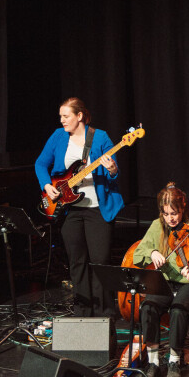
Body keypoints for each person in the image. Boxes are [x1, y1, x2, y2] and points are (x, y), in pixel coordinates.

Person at [35, 97, 124, 318]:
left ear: (79, 116)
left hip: (96, 209)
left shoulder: (100, 137)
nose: (62, 120)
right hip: (69, 210)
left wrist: (112, 168)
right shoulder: (58, 136)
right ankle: (83, 313)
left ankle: (104, 314)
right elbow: (40, 164)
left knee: (100, 263)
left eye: (66, 116)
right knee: (77, 262)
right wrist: (47, 186)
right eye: (61, 116)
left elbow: (114, 173)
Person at [131, 183, 189, 377]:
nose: (171, 218)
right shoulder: (157, 227)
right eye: (166, 214)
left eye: (174, 213)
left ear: (182, 209)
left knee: (177, 309)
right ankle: (153, 363)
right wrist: (152, 252)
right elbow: (137, 255)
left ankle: (174, 361)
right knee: (147, 307)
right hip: (167, 282)